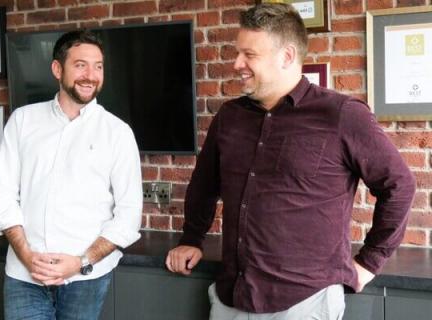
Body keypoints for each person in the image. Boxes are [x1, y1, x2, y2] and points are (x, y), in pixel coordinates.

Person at [166, 3, 416, 319]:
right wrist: (192, 238)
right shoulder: (229, 116)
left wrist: (370, 261)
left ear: (286, 56)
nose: (236, 63)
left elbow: (400, 185)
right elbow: (203, 185)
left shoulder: (341, 114)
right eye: (238, 53)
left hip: (304, 303)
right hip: (231, 298)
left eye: (249, 54)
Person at [0, 30, 143, 320]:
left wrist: (81, 262)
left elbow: (129, 213)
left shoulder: (118, 133)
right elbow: (3, 192)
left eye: (98, 66)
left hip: (87, 278)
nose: (91, 75)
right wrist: (25, 255)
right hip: (24, 276)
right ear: (58, 69)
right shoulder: (23, 120)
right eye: (80, 65)